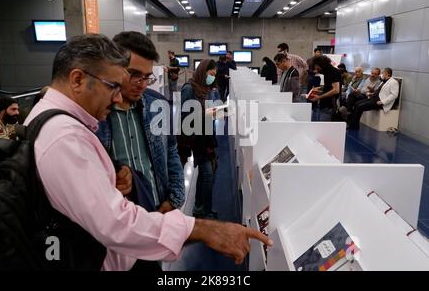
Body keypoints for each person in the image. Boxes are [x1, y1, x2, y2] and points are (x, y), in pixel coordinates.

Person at [24, 34, 271, 270]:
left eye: (147, 77)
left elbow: (170, 150)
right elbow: (116, 224)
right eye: (114, 84)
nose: (116, 95)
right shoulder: (67, 135)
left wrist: (162, 194)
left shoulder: (149, 106)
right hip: (115, 246)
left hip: (146, 228)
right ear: (77, 79)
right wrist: (206, 230)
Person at [98, 31, 185, 217]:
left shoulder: (158, 105)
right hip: (114, 218)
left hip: (157, 209)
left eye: (147, 76)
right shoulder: (95, 113)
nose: (143, 84)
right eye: (134, 74)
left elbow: (171, 151)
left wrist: (175, 199)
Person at [177, 59, 219, 219]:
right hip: (195, 138)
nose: (212, 77)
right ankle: (203, 209)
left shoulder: (206, 89)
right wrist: (207, 114)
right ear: (203, 71)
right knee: (207, 174)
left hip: (206, 136)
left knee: (207, 174)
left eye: (214, 75)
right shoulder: (189, 88)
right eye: (211, 74)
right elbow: (186, 115)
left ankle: (201, 207)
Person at [309, 55, 342, 121]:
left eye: (318, 69)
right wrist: (317, 90)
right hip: (322, 104)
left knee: (323, 129)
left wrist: (319, 97)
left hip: (329, 105)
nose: (317, 71)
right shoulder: (326, 72)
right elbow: (327, 87)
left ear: (323, 65)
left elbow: (336, 90)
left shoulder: (334, 72)